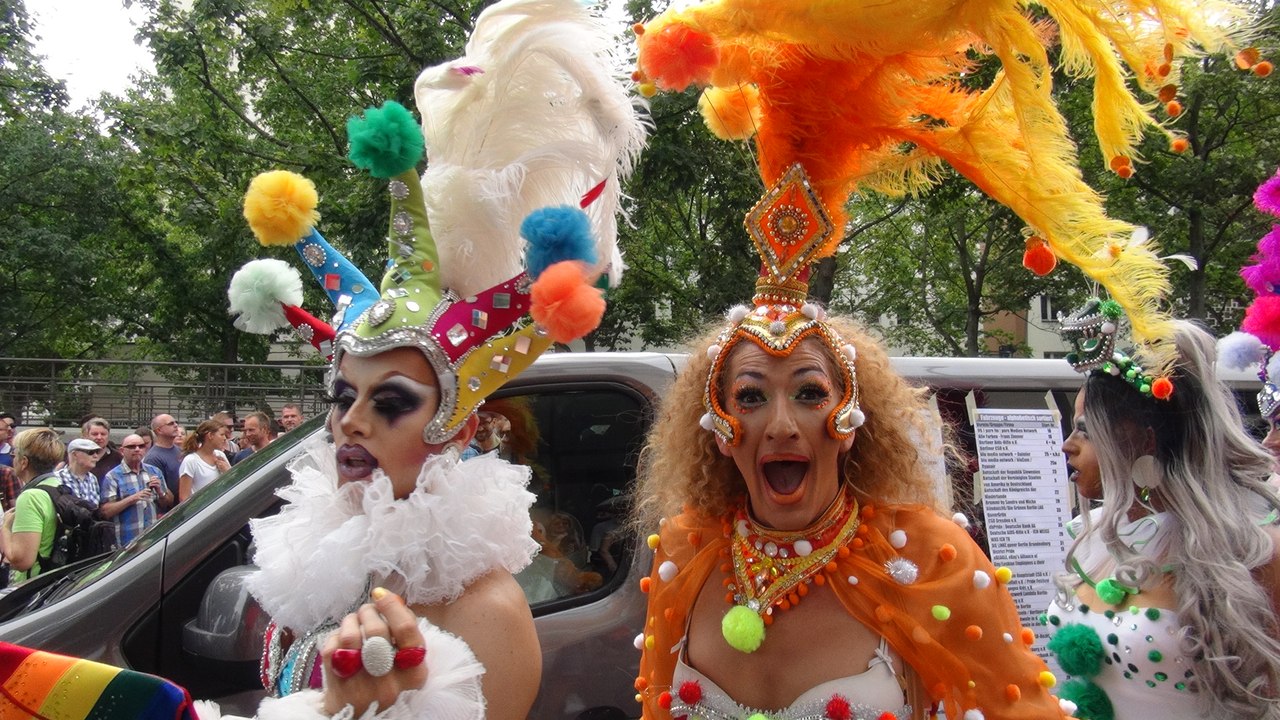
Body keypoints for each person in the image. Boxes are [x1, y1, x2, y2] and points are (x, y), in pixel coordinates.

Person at [193, 2, 646, 717]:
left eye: (392, 401)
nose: (354, 424)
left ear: (460, 427)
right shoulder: (321, 561)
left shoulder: (481, 607)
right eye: (344, 397)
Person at [1052, 314, 1280, 719]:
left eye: (1085, 431)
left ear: (1143, 440)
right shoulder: (1091, 539)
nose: (1067, 446)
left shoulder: (1254, 554)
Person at [0, 428, 66, 583]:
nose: (12, 460)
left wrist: (5, 527)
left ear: (24, 462)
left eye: (14, 454)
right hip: (54, 583)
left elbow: (22, 561)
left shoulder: (30, 497)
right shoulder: (58, 486)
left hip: (32, 586)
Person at [99, 433, 171, 545]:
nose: (137, 449)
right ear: (122, 451)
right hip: (127, 541)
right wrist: (133, 498)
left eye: (141, 446)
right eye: (132, 447)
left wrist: (160, 492)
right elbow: (106, 511)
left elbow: (167, 503)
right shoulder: (113, 476)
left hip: (152, 538)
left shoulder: (154, 471)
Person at [177, 419, 230, 501]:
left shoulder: (220, 455)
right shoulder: (191, 461)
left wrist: (228, 470)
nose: (225, 438)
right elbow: (184, 497)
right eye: (222, 435)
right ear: (210, 436)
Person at [145, 413, 184, 499]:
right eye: (171, 424)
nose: (176, 425)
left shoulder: (180, 450)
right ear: (159, 430)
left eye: (175, 422)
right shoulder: (153, 458)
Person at [58, 438, 104, 509]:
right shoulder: (58, 478)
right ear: (75, 454)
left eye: (97, 452)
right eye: (90, 452)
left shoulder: (93, 479)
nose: (96, 456)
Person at [82, 417, 122, 482]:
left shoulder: (117, 457)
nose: (99, 437)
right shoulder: (79, 456)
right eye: (95, 434)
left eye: (103, 434)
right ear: (85, 436)